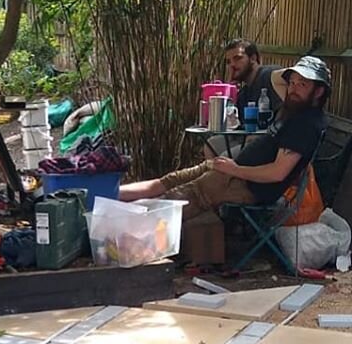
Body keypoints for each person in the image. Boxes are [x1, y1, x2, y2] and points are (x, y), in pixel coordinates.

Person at [120, 56, 330, 222]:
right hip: (233, 170)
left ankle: (120, 225)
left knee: (177, 197)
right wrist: (231, 166)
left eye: (302, 84)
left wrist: (235, 170)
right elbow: (277, 80)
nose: (293, 89)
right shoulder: (294, 110)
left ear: (319, 91)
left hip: (247, 186)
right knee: (169, 181)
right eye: (292, 83)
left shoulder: (307, 124)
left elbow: (277, 172)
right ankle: (104, 196)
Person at [206, 39, 284, 158]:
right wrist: (229, 89)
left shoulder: (271, 75)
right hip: (247, 138)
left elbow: (286, 110)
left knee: (225, 157)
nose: (232, 64)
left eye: (237, 58)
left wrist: (267, 133)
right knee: (212, 144)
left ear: (253, 58)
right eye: (228, 62)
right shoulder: (244, 92)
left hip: (273, 141)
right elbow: (234, 124)